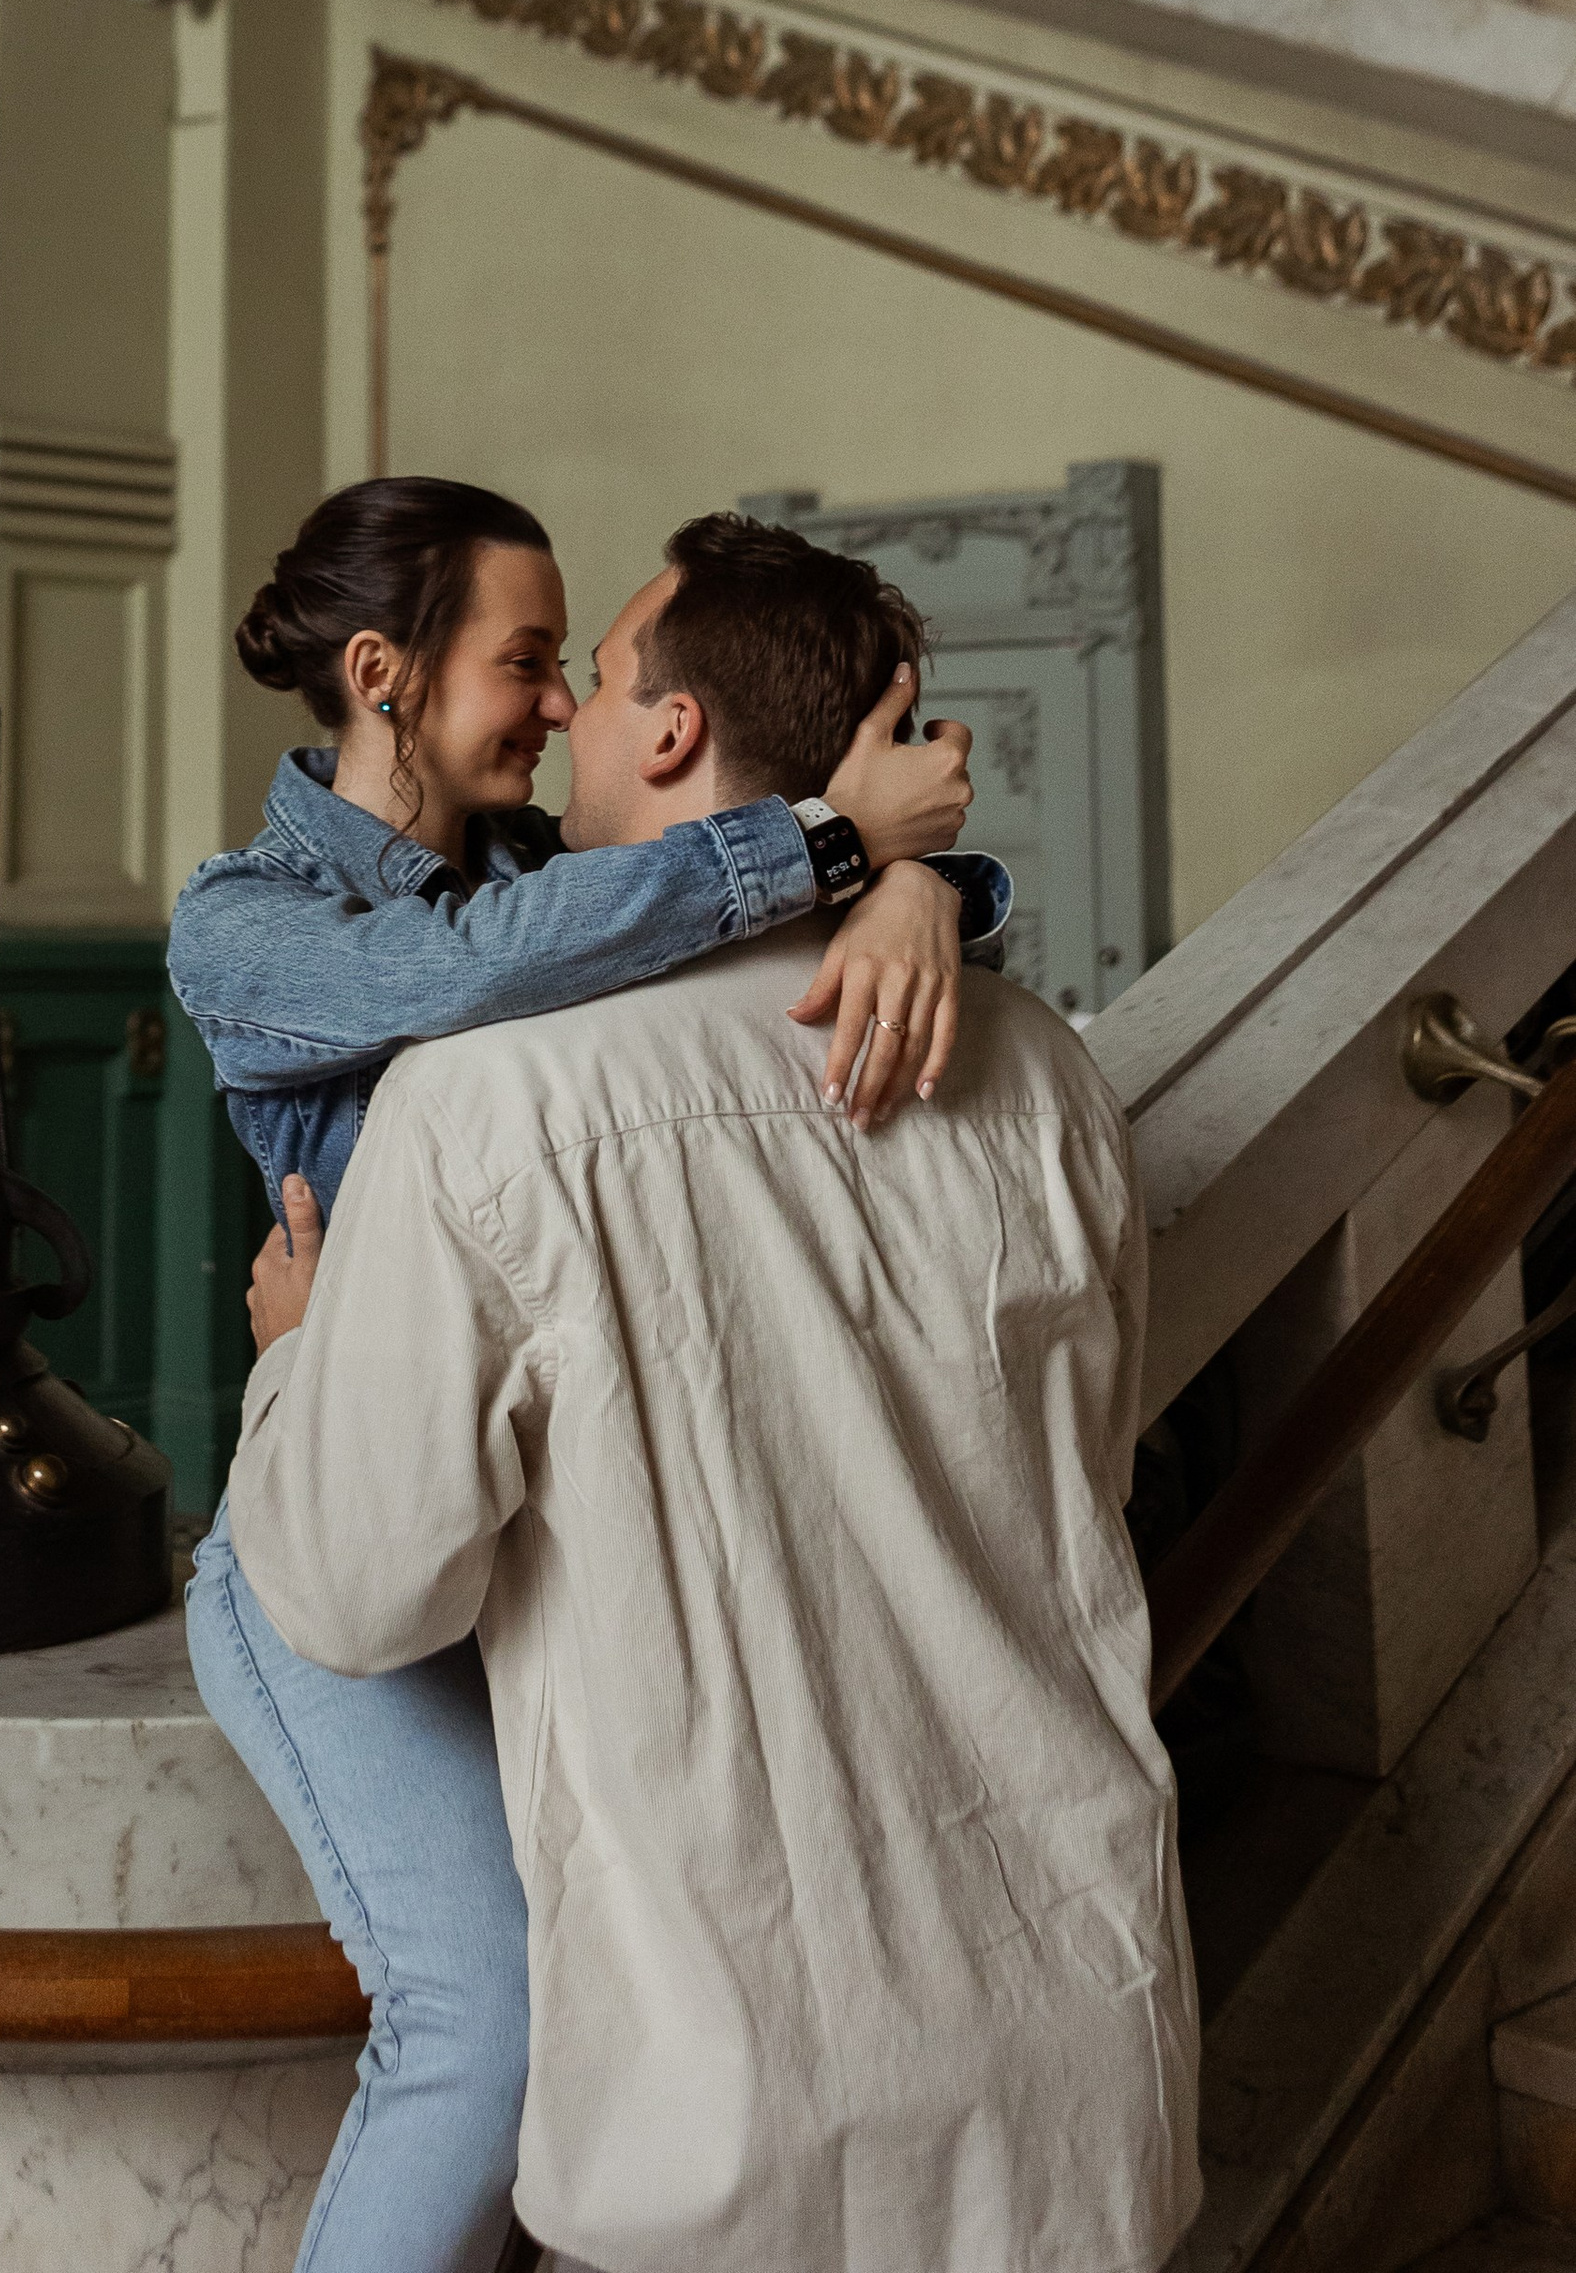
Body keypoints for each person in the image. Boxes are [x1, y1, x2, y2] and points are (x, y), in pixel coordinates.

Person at [227, 514, 1198, 2273]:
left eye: (591, 677)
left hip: (743, 2100)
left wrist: (295, 1374)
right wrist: (912, 880)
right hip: (1081, 2060)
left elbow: (358, 1593)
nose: (566, 716)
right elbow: (1086, 1470)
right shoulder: (1049, 1071)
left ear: (672, 734)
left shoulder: (489, 1106)